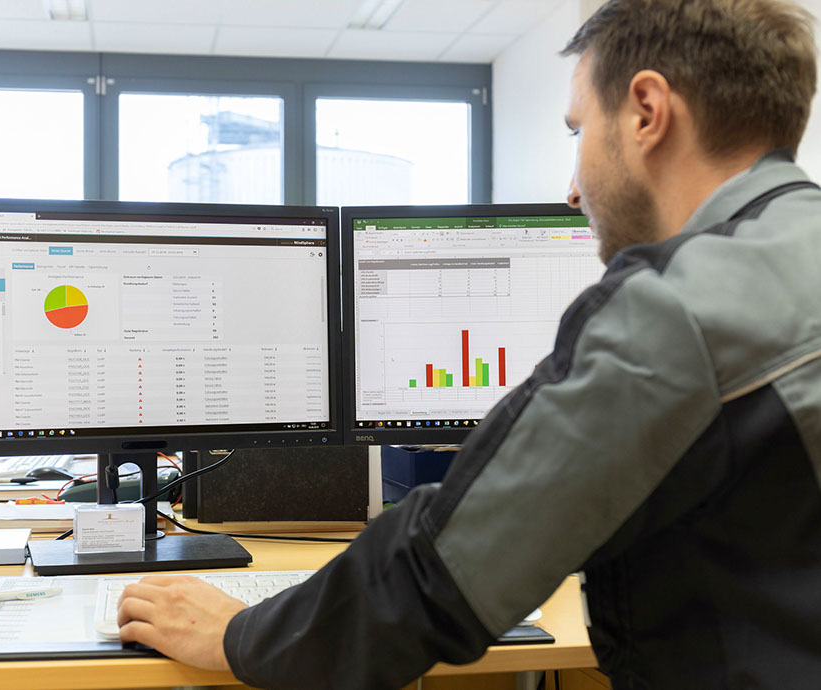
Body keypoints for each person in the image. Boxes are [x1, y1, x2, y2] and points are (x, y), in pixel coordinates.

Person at [116, 1, 821, 687]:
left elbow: (446, 569)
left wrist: (237, 633)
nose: (572, 188)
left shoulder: (680, 309)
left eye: (578, 130)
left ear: (646, 111)